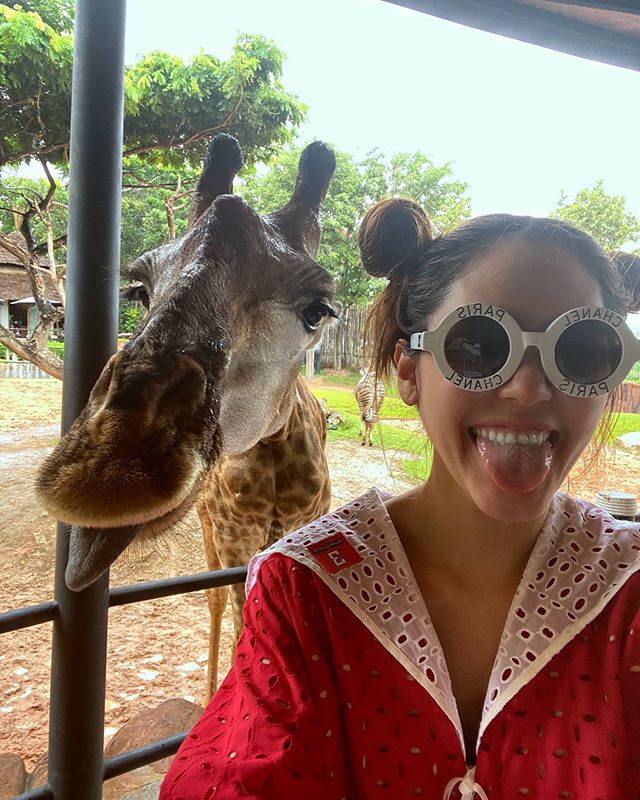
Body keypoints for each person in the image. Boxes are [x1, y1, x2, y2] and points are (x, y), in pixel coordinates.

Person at [161, 199, 640, 799]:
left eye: (583, 351)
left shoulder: (630, 589)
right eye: (476, 345)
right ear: (409, 372)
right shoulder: (305, 591)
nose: (527, 388)